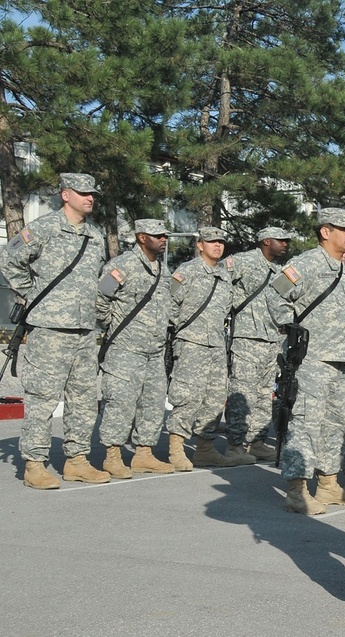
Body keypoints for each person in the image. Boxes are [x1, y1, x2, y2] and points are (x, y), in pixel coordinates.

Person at [0, 173, 109, 488]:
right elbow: (10, 262)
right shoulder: (43, 228)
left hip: (85, 330)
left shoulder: (96, 236)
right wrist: (32, 297)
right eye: (83, 192)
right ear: (65, 195)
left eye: (92, 193)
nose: (90, 198)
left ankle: (77, 460)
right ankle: (35, 464)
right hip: (49, 328)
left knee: (84, 398)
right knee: (43, 397)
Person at [267, 208, 345, 515]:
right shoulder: (307, 263)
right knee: (307, 422)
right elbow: (276, 294)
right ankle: (296, 489)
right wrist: (291, 326)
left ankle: (328, 483)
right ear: (326, 231)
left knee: (336, 424)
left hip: (342, 357)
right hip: (311, 358)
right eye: (344, 228)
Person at [96, 218, 175, 477]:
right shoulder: (122, 266)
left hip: (154, 350)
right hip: (125, 349)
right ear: (142, 237)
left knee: (152, 403)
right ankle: (112, 455)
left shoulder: (163, 270)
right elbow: (100, 299)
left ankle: (144, 454)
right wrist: (113, 326)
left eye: (164, 236)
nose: (163, 239)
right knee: (120, 402)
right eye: (157, 235)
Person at [164, 226, 242, 470]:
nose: (217, 246)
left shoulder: (224, 276)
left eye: (220, 241)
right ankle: (176, 449)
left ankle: (205, 449)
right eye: (211, 242)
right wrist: (181, 333)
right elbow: (169, 305)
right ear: (200, 245)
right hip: (191, 344)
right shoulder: (187, 272)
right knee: (188, 396)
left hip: (216, 346)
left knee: (215, 397)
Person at [225, 226, 292, 463]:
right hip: (246, 337)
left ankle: (257, 441)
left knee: (265, 394)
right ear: (265, 241)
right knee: (242, 391)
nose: (285, 244)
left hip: (272, 338)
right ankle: (235, 444)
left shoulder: (281, 271)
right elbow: (221, 286)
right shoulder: (241, 261)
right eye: (280, 240)